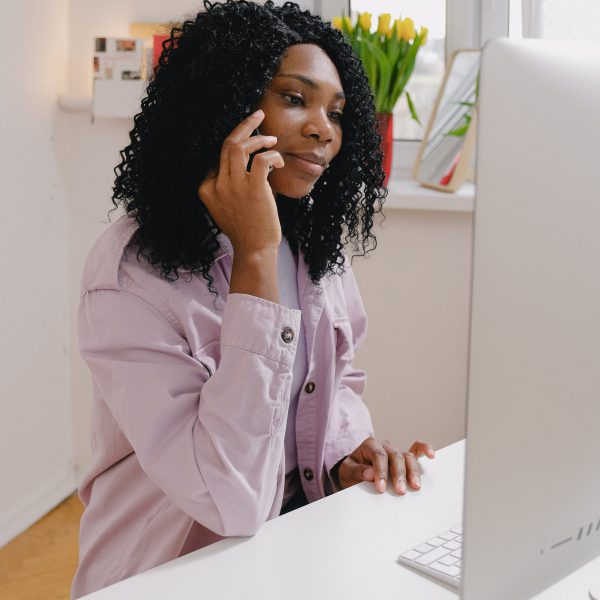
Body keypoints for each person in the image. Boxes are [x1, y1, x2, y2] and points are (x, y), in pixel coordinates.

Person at [71, 1, 435, 597]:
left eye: (336, 113)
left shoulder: (312, 245)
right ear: (224, 105)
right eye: (295, 98)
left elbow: (335, 382)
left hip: (287, 552)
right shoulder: (131, 277)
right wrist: (256, 258)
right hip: (165, 573)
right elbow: (230, 500)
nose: (324, 130)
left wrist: (342, 457)